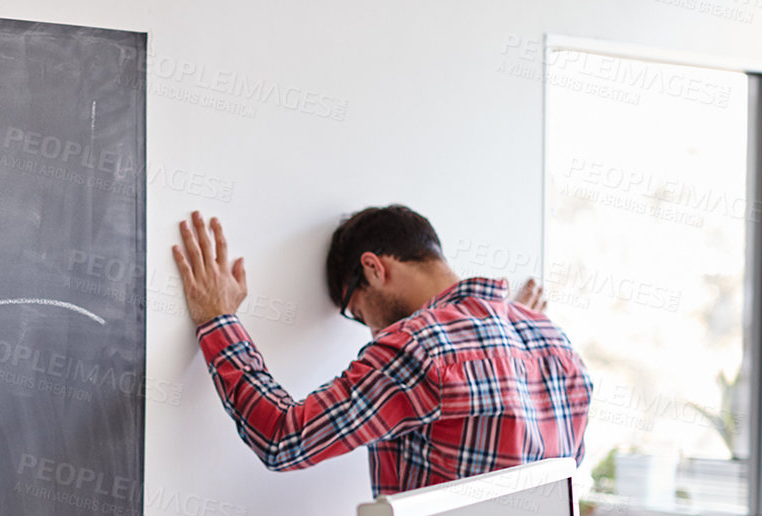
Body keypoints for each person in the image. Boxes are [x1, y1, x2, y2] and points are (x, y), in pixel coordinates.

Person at [171, 205, 591, 496]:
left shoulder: (421, 347)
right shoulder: (554, 342)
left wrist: (218, 319)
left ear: (373, 268)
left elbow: (285, 438)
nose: (371, 332)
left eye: (358, 312)